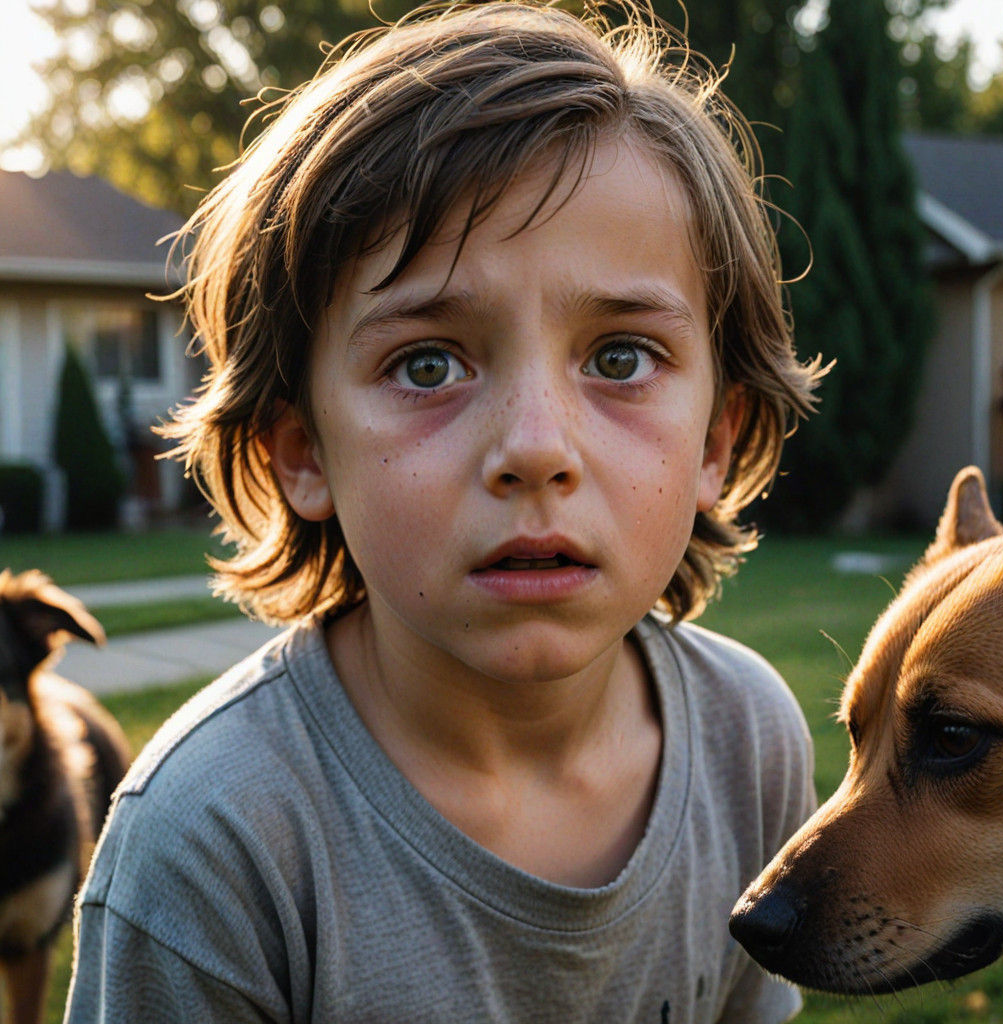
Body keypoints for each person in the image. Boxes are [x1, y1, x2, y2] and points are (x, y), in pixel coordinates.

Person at [65, 2, 824, 1021]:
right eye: (428, 365)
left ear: (715, 442)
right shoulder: (215, 839)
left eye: (619, 357)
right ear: (302, 452)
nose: (537, 447)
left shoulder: (750, 741)